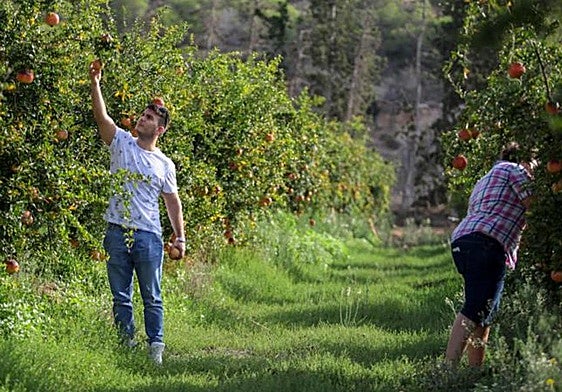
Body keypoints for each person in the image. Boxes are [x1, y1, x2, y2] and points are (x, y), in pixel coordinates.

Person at [89, 60, 185, 365]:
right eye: (142, 115)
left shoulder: (164, 164)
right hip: (117, 230)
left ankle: (155, 346)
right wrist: (95, 83)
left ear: (159, 129)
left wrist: (179, 237)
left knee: (152, 296)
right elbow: (101, 117)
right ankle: (125, 344)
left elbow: (172, 201)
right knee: (121, 296)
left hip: (148, 236)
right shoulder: (121, 143)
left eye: (148, 118)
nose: (141, 119)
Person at [445, 142, 534, 368]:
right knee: (475, 308)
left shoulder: (485, 179)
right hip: (486, 242)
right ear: (524, 159)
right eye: (535, 164)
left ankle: (474, 371)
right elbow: (535, 205)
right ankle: (447, 370)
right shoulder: (515, 170)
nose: (535, 171)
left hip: (464, 241)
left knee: (485, 312)